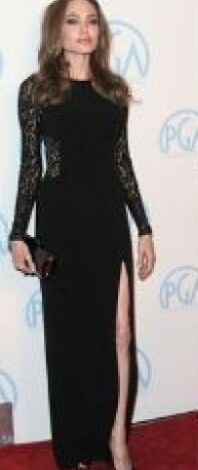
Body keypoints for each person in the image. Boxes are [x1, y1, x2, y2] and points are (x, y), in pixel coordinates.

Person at [8, 0, 155, 469]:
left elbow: (122, 162)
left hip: (108, 220)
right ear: (57, 30)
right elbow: (30, 167)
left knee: (120, 331)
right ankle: (72, 448)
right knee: (68, 337)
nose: (84, 29)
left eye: (92, 21)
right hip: (59, 224)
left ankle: (116, 440)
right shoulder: (36, 90)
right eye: (73, 21)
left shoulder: (113, 90)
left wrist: (144, 227)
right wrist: (18, 232)